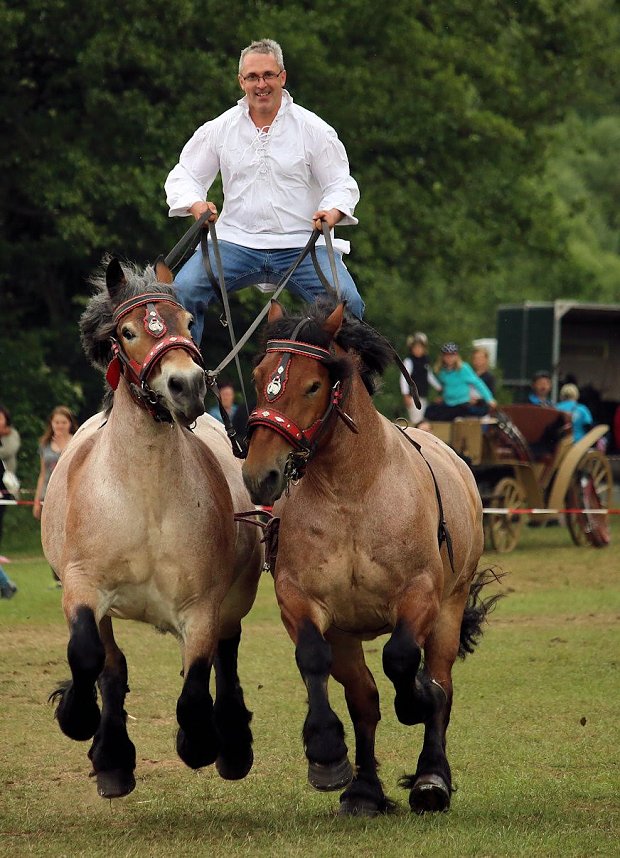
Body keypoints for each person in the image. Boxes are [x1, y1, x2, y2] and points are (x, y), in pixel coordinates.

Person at [165, 38, 364, 347]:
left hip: (302, 243)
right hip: (235, 242)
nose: (261, 84)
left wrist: (332, 211)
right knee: (182, 293)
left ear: (282, 77)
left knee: (349, 303)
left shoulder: (314, 129)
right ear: (241, 81)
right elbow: (185, 174)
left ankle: (343, 391)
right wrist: (197, 205)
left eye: (269, 75)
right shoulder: (221, 128)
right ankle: (183, 388)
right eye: (253, 77)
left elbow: (340, 182)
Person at [33, 406, 79, 584]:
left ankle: (69, 569)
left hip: (69, 493)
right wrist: (37, 499)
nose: (59, 426)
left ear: (70, 424)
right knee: (50, 534)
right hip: (48, 495)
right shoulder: (44, 445)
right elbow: (43, 474)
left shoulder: (77, 440)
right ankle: (57, 569)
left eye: (63, 422)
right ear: (51, 423)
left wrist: (63, 448)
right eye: (56, 422)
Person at [425, 342, 496, 422]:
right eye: (447, 355)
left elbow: (478, 383)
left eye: (452, 355)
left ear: (456, 356)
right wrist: (442, 397)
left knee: (459, 412)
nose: (449, 358)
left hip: (462, 403)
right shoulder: (442, 371)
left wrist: (489, 399)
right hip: (448, 403)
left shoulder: (463, 368)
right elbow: (445, 387)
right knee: (430, 410)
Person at [399, 332, 441, 425]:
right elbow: (404, 378)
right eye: (415, 347)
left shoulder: (425, 360)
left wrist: (439, 387)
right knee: (416, 421)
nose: (418, 350)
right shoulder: (409, 361)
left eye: (420, 347)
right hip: (413, 397)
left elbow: (429, 376)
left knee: (422, 419)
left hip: (423, 395)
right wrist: (406, 395)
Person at [0, 405, 20, 598]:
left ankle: (6, 585)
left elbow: (7, 451)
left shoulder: (11, 435)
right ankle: (5, 584)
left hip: (4, 493)